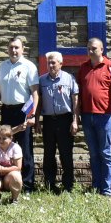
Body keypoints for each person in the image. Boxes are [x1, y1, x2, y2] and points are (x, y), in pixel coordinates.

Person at [74, 37, 111, 196]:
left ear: (102, 50)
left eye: (94, 48)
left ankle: (107, 189)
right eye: (89, 48)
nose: (91, 51)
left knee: (105, 153)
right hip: (87, 116)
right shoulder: (83, 68)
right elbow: (78, 93)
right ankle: (96, 186)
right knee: (94, 153)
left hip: (104, 116)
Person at [0, 36, 38, 192]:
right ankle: (8, 183)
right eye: (11, 47)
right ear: (7, 48)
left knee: (24, 148)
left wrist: (32, 115)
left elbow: (35, 93)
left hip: (22, 111)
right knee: (5, 147)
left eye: (17, 47)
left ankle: (27, 185)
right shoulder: (2, 67)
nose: (14, 50)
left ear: (22, 49)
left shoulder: (29, 66)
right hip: (6, 111)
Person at [35, 50, 78, 193]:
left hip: (65, 120)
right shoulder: (42, 80)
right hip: (48, 121)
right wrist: (37, 121)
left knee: (66, 154)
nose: (51, 65)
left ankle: (68, 185)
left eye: (53, 62)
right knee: (48, 153)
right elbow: (39, 102)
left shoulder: (69, 79)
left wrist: (75, 121)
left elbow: (75, 101)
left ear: (61, 63)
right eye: (49, 63)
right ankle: (50, 184)